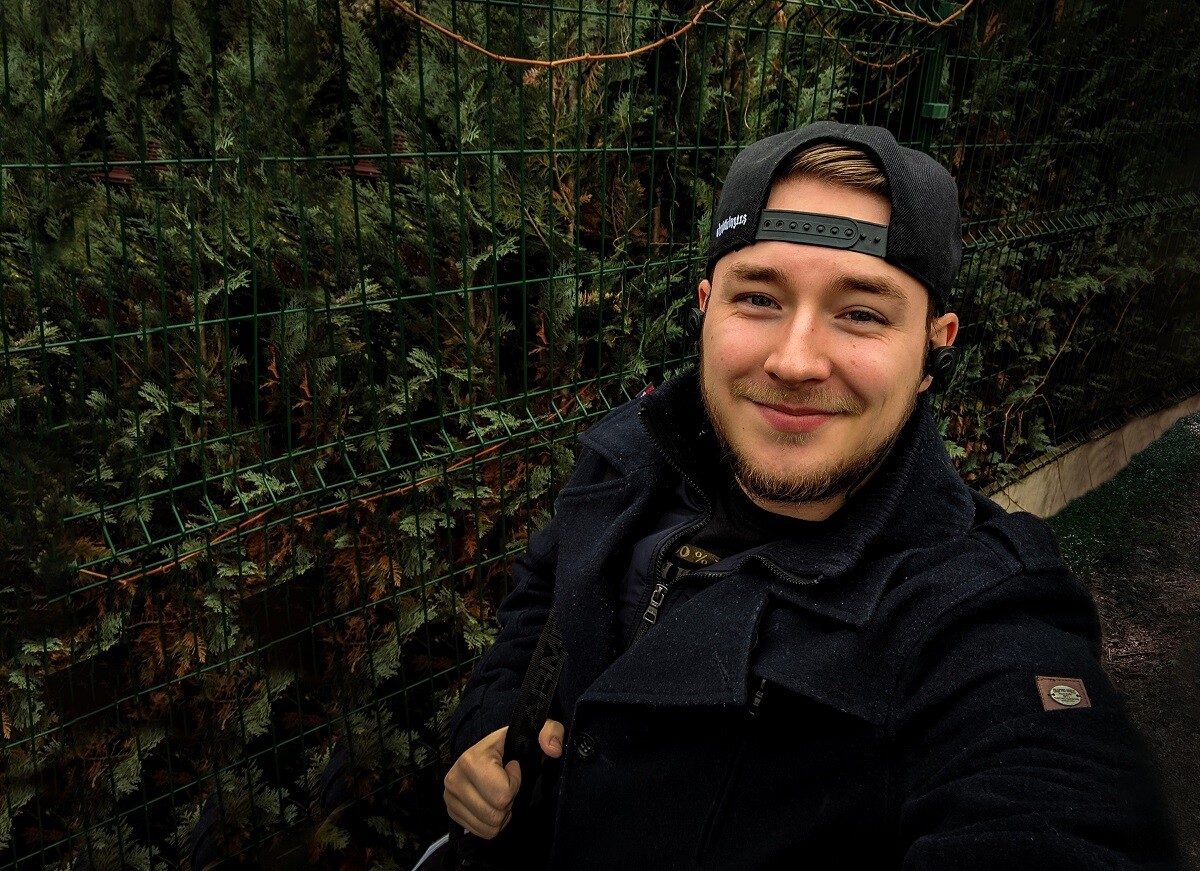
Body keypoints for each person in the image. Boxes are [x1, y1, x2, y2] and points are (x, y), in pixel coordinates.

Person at [440, 122, 1178, 869]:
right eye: (759, 297)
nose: (794, 360)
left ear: (934, 348)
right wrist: (491, 719)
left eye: (861, 312)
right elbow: (537, 602)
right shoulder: (627, 454)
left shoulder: (971, 619)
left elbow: (1057, 804)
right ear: (706, 307)